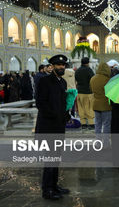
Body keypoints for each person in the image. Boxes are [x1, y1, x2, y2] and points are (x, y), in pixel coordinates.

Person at [35, 54, 71, 200]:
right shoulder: (45, 81)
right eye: (58, 65)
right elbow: (41, 103)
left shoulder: (62, 82)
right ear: (52, 67)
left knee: (56, 158)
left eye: (63, 65)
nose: (61, 67)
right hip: (48, 126)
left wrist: (66, 114)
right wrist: (55, 115)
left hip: (59, 127)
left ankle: (54, 185)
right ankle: (47, 190)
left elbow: (63, 103)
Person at [90, 63, 112, 147]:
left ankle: (98, 142)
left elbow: (91, 89)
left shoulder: (93, 78)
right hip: (106, 104)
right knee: (106, 124)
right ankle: (106, 142)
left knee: (97, 124)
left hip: (96, 104)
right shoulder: (108, 79)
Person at [75, 57, 95, 129]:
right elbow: (93, 79)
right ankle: (91, 123)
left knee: (81, 108)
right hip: (88, 92)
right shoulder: (89, 70)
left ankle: (83, 123)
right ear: (88, 63)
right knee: (89, 108)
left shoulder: (77, 70)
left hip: (80, 92)